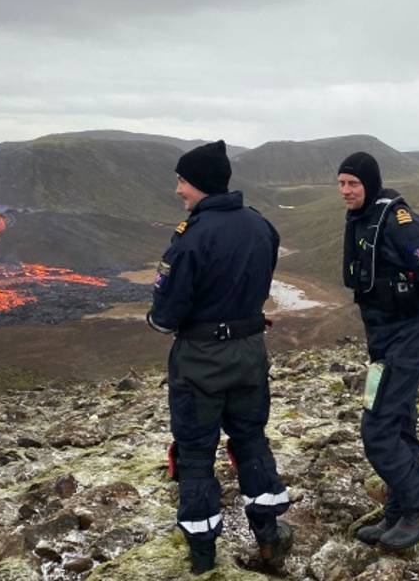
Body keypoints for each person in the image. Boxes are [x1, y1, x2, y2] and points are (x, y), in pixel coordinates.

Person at [146, 140, 292, 574]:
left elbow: (166, 314)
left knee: (195, 455)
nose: (178, 191)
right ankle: (269, 538)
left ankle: (203, 558)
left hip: (200, 362)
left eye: (182, 181)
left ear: (201, 184)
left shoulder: (191, 239)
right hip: (249, 355)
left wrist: (160, 319)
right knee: (251, 441)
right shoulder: (261, 227)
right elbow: (258, 286)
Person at [337, 151, 419, 550]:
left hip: (411, 333)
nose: (345, 191)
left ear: (369, 184)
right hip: (384, 337)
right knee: (399, 421)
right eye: (341, 183)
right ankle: (398, 511)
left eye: (353, 184)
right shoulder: (361, 220)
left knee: (377, 428)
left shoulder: (398, 222)